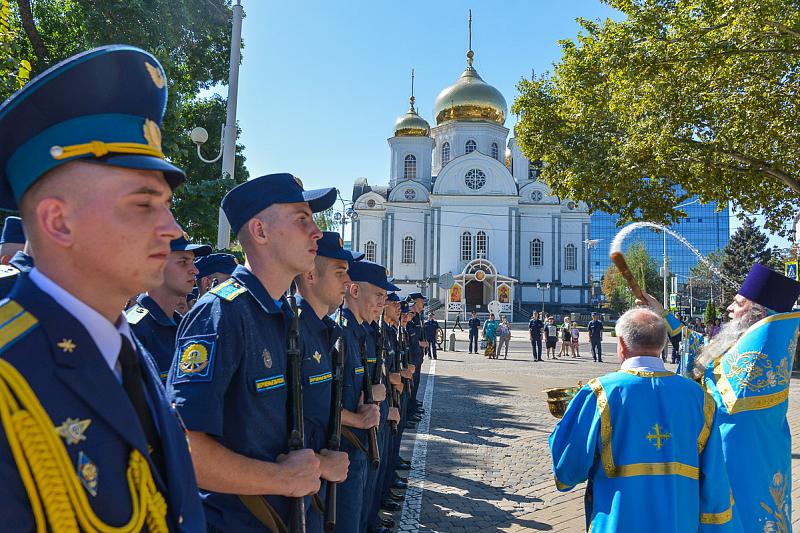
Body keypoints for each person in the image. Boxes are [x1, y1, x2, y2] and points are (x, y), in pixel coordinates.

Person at [0, 45, 204, 530]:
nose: (172, 228)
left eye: (167, 204)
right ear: (58, 221)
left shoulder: (120, 344)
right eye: (143, 204)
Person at [168, 173, 338, 531]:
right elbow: (184, 449)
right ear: (260, 232)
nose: (317, 232)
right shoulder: (221, 314)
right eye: (302, 219)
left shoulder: (284, 314)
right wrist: (282, 479)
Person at [640, 263, 800, 531]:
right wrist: (661, 313)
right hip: (736, 452)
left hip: (746, 458)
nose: (729, 309)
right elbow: (704, 349)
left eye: (737, 303)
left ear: (756, 313)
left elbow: (718, 397)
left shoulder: (763, 351)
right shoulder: (745, 342)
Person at [549, 308, 736, 532]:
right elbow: (715, 480)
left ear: (622, 345)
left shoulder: (599, 393)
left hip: (619, 523)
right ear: (662, 345)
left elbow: (567, 469)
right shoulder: (699, 398)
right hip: (679, 522)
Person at [295, 231, 361, 533]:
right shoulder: (290, 328)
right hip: (288, 494)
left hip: (318, 483)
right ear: (310, 274)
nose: (348, 283)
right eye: (340, 272)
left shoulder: (328, 331)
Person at [335, 259, 396, 533]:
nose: (382, 302)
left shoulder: (363, 333)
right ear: (355, 291)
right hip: (347, 444)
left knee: (359, 512)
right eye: (379, 295)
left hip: (362, 443)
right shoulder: (341, 333)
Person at [126, 232, 210, 381]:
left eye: (193, 261)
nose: (195, 271)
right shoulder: (135, 329)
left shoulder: (183, 324)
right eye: (183, 262)